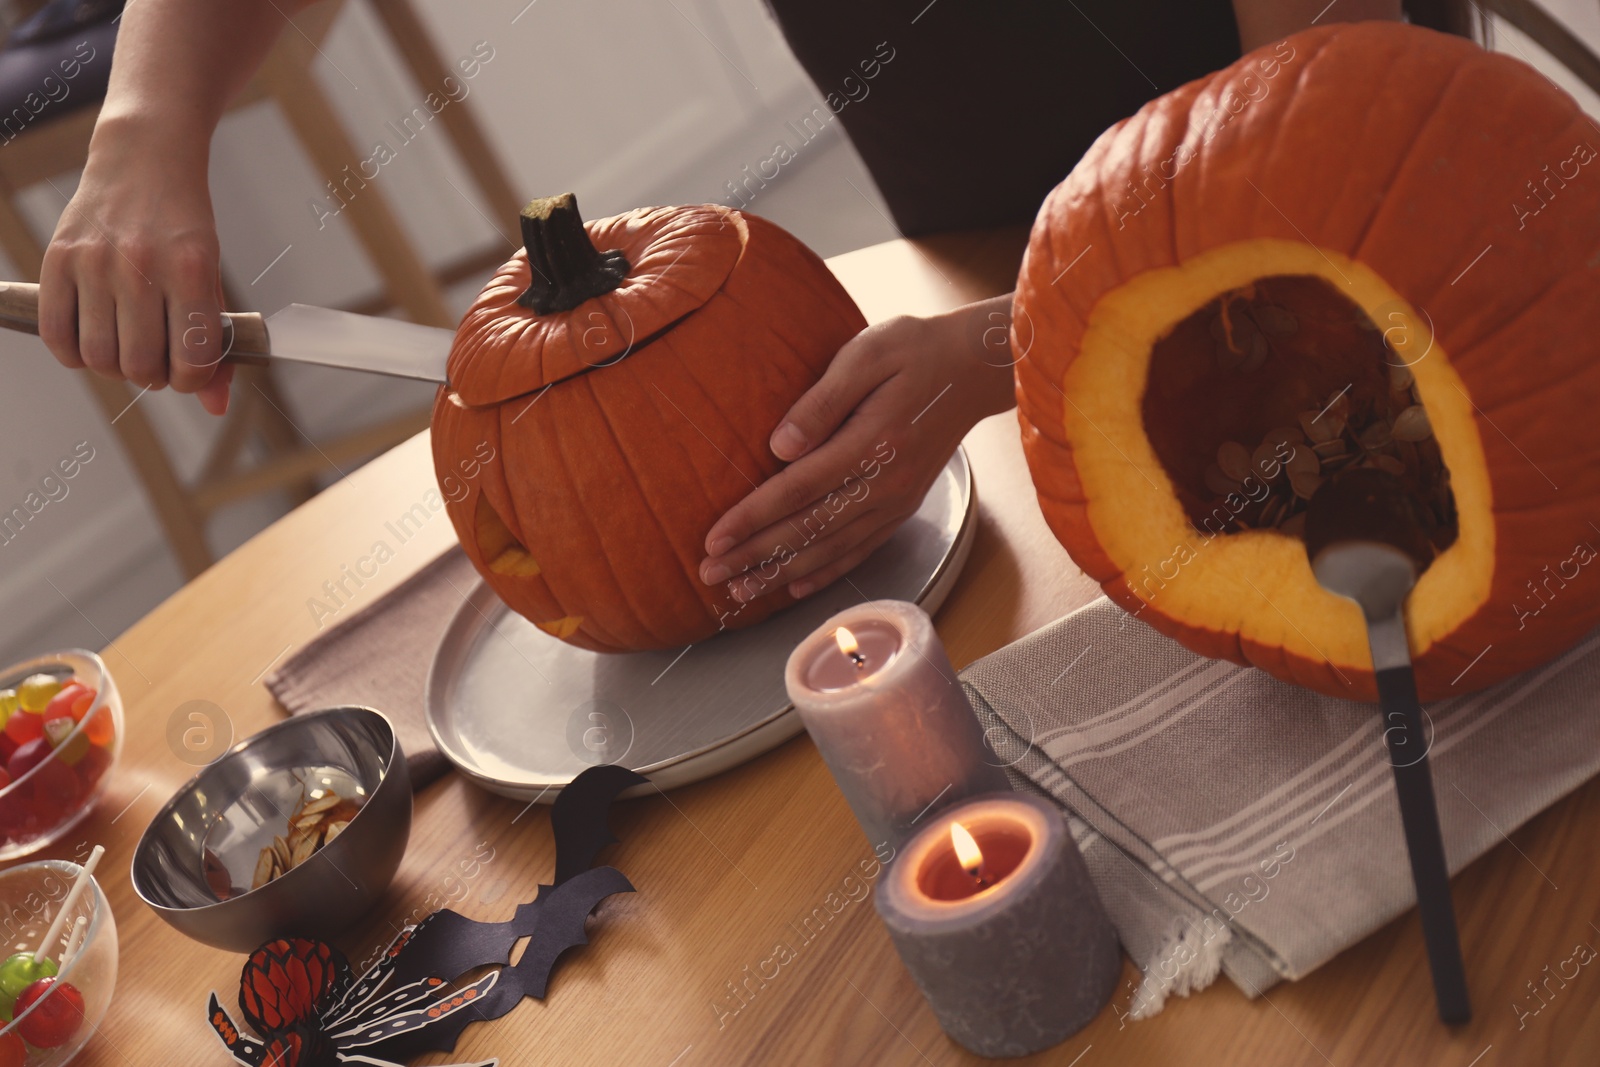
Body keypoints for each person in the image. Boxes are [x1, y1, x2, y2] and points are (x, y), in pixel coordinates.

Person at [38, 0, 1474, 606]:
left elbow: (1336, 141)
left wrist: (1011, 345)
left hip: (1369, 336)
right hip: (1001, 281)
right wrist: (140, 134)